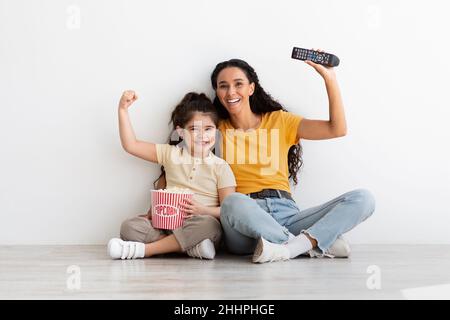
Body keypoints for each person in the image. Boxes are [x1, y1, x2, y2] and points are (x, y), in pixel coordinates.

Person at [210, 50, 376, 263]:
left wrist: (330, 79)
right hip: (243, 222)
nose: (231, 91)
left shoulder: (280, 121)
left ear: (251, 88)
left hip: (286, 213)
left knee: (364, 198)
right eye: (223, 86)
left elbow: (337, 129)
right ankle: (307, 244)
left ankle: (287, 247)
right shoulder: (214, 131)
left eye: (238, 84)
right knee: (233, 202)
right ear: (217, 91)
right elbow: (179, 158)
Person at [108, 91, 236, 260]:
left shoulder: (221, 167)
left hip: (199, 224)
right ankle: (190, 248)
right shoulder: (171, 154)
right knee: (129, 226)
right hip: (166, 224)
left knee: (210, 226)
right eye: (193, 129)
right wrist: (123, 110)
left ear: (216, 132)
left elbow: (229, 210)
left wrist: (203, 210)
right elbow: (131, 145)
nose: (202, 135)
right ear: (181, 133)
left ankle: (145, 250)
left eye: (208, 129)